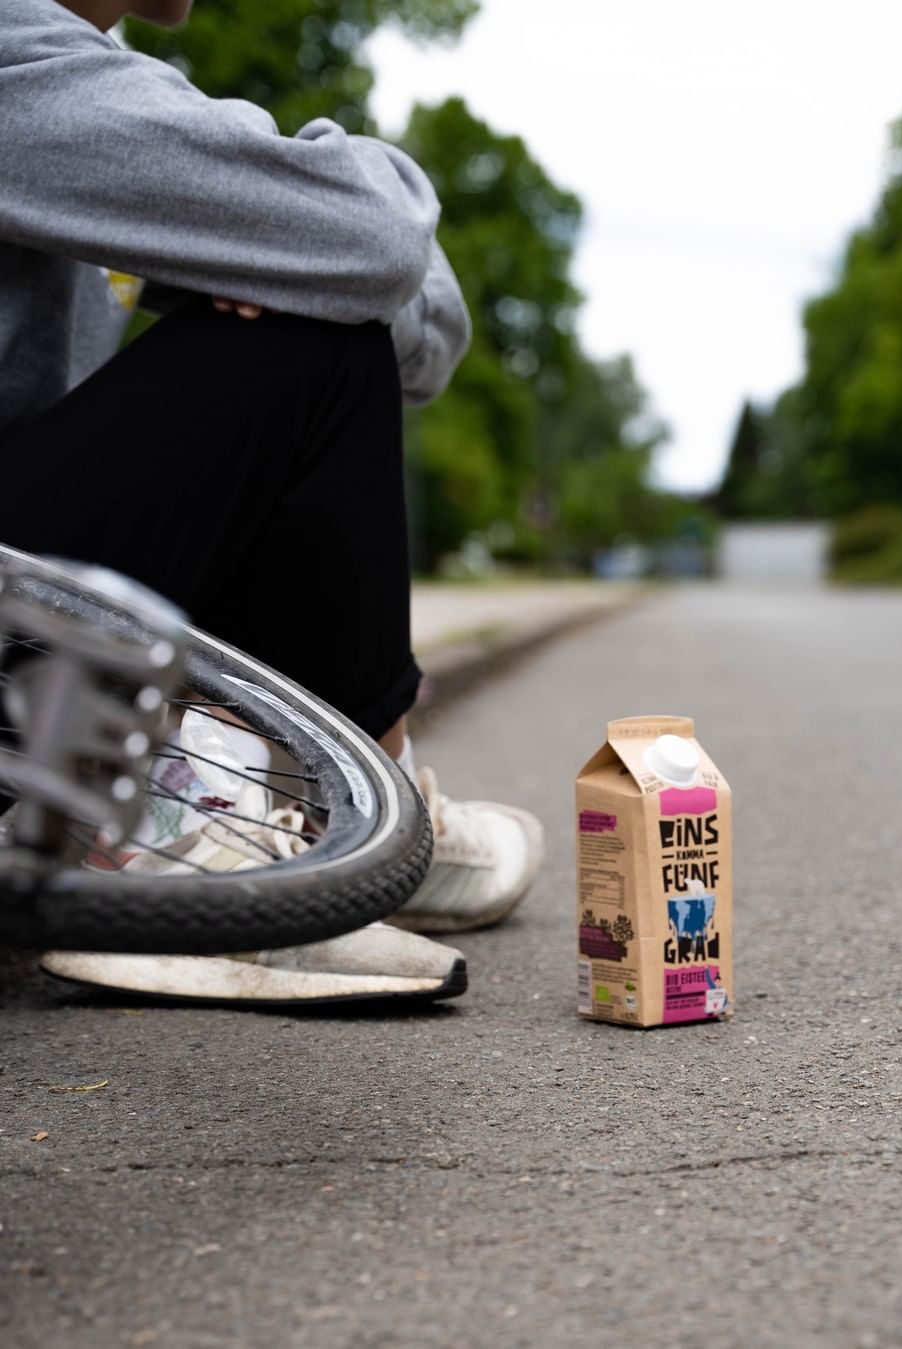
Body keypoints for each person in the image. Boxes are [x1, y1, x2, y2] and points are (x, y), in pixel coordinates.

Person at [0, 0, 544, 1003]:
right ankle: (256, 835)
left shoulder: (93, 72)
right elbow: (376, 239)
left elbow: (424, 333)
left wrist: (293, 250)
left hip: (27, 604)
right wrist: (297, 240)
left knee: (313, 321)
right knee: (313, 340)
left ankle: (335, 811)